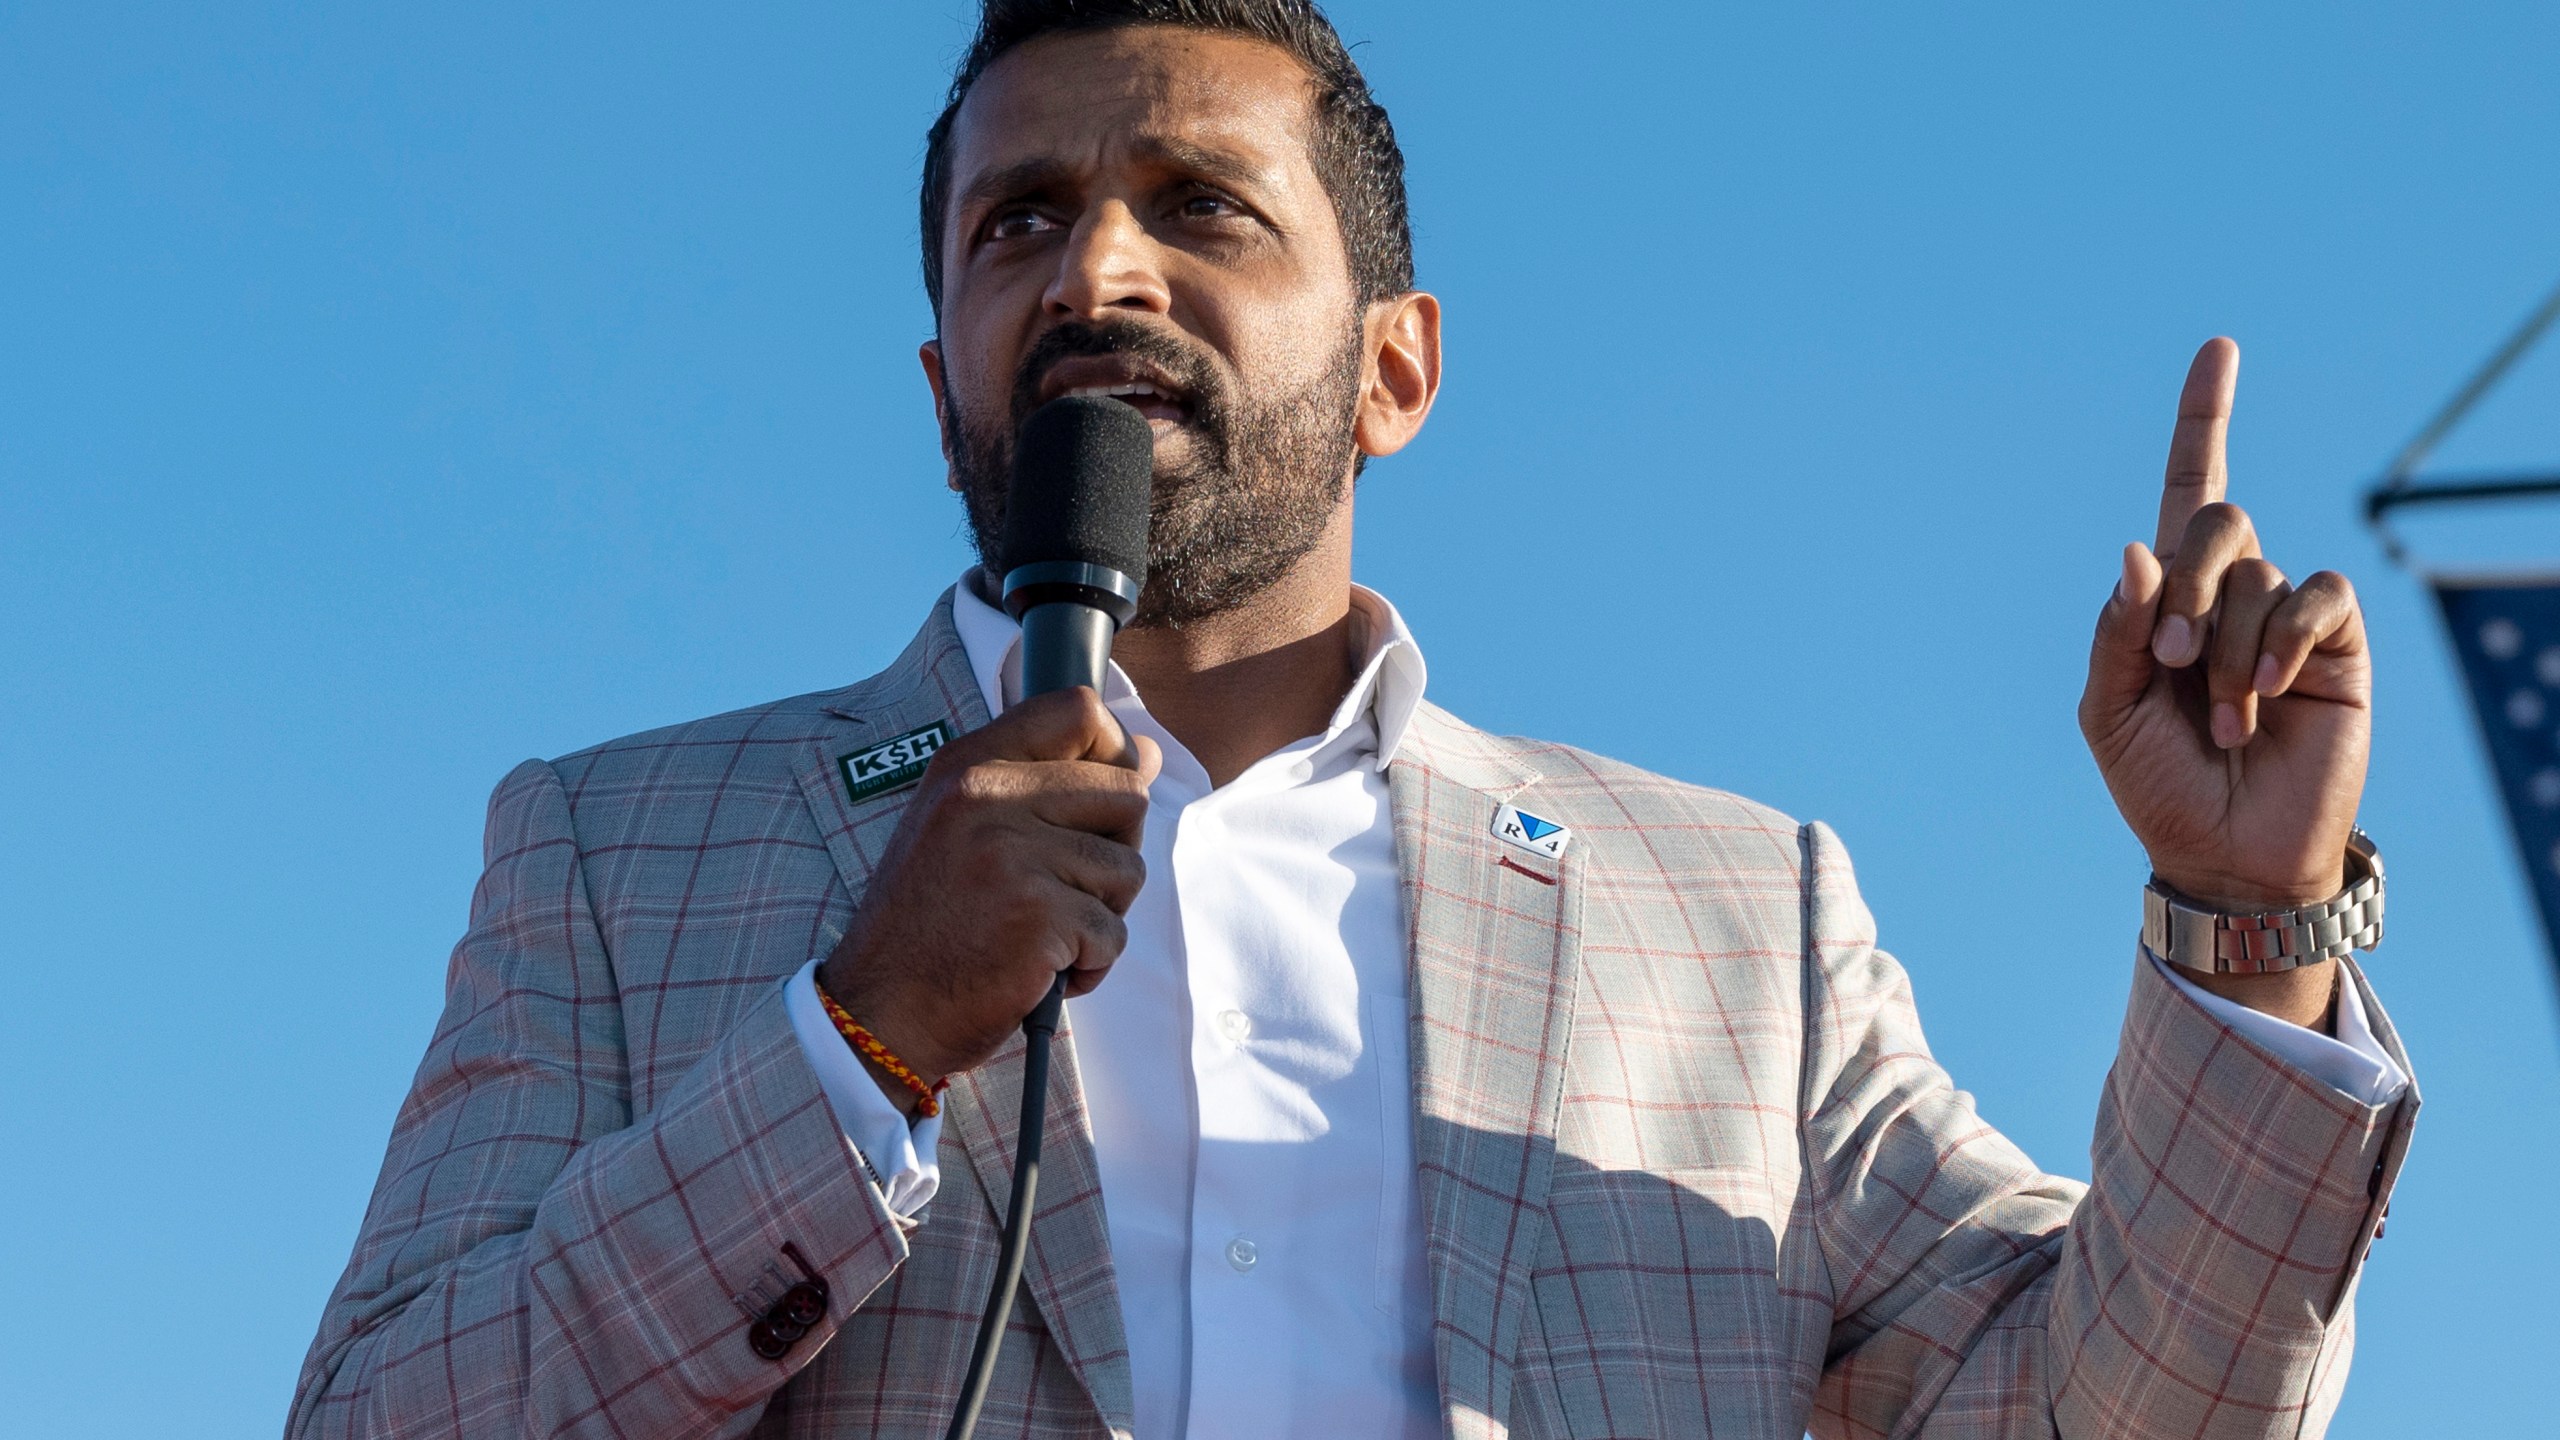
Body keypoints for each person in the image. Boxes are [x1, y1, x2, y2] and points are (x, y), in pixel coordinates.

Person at [289, 3, 2414, 1437]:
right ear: (939, 367)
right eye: (1013, 222)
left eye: (1195, 207)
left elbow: (2110, 1408)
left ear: (1394, 369)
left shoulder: (1733, 916)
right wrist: (853, 1048)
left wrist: (2244, 919)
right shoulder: (616, 848)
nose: (1092, 271)